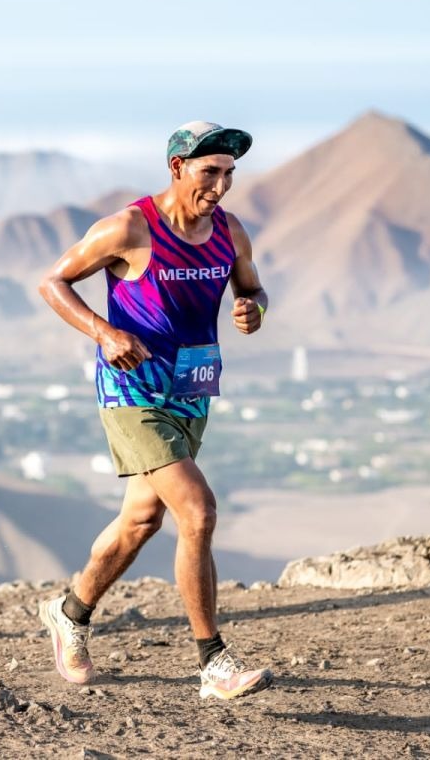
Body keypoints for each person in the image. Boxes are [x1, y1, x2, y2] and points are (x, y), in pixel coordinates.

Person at [36, 121, 272, 700]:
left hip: (191, 388)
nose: (221, 186)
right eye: (209, 172)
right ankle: (213, 662)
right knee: (198, 511)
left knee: (142, 522)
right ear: (177, 169)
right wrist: (103, 331)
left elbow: (253, 290)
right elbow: (54, 282)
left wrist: (252, 310)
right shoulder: (130, 227)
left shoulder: (230, 232)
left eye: (228, 174)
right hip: (133, 390)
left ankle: (70, 614)